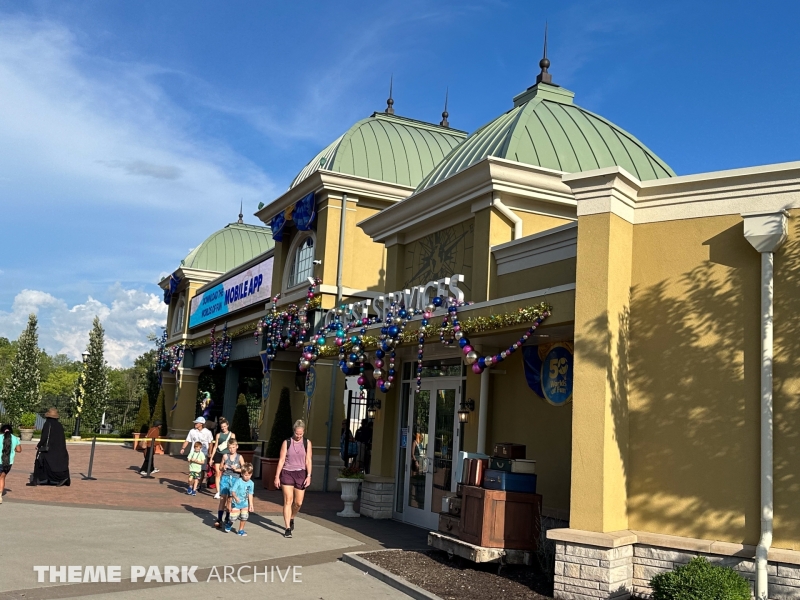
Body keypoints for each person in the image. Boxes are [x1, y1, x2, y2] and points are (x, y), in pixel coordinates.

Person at [274, 419, 312, 539]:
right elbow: (281, 460)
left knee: (298, 503)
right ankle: (287, 528)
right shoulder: (287, 442)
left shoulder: (307, 443)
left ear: (303, 432)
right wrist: (276, 476)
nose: (299, 436)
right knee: (288, 501)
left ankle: (292, 517)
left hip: (301, 473)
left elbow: (308, 460)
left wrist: (309, 475)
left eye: (301, 434)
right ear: (293, 431)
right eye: (297, 433)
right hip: (287, 473)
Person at [30, 408, 70, 486]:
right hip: (59, 449)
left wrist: (39, 445)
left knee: (39, 460)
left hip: (48, 449)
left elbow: (44, 437)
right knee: (57, 463)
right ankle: (58, 477)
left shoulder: (48, 424)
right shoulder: (59, 425)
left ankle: (36, 480)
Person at [216, 439, 244, 530]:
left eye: (233, 447)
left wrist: (236, 469)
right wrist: (223, 467)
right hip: (225, 478)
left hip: (235, 479)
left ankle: (227, 518)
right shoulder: (225, 456)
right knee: (222, 498)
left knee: (230, 500)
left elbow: (244, 470)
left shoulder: (239, 457)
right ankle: (219, 519)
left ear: (237, 447)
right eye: (230, 448)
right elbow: (220, 467)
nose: (231, 449)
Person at [207, 417, 235, 500]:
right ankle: (218, 492)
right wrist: (211, 458)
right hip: (218, 454)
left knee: (227, 473)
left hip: (227, 455)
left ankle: (227, 490)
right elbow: (215, 447)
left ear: (228, 426)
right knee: (217, 473)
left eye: (225, 426)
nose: (223, 428)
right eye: (222, 427)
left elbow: (233, 446)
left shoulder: (232, 435)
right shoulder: (218, 435)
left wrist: (233, 456)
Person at [228, 463, 255, 536]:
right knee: (233, 518)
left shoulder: (251, 483)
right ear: (242, 474)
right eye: (246, 475)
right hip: (236, 502)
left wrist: (251, 504)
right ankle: (229, 523)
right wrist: (236, 498)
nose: (247, 477)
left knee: (244, 516)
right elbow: (233, 491)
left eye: (249, 475)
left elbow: (250, 494)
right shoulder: (238, 481)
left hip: (245, 503)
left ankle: (241, 530)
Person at [0, 423, 21, 503]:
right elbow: (19, 450)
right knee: (2, 478)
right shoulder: (15, 439)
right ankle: (0, 496)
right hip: (8, 462)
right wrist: (12, 449)